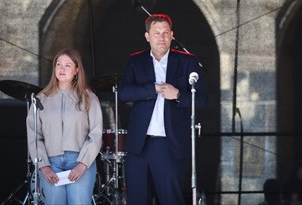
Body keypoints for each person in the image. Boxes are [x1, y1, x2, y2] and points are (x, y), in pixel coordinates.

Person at [118, 14, 208, 204]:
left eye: (165, 33)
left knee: (170, 199)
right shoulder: (136, 61)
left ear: (172, 35)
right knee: (137, 200)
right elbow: (124, 93)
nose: (161, 37)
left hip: (169, 144)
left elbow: (201, 100)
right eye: (156, 33)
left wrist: (178, 95)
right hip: (138, 145)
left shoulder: (187, 61)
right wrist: (154, 88)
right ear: (147, 36)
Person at [26, 48, 103, 204]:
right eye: (58, 64)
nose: (62, 69)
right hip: (50, 163)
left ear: (76, 70)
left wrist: (82, 164)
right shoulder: (41, 99)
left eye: (68, 65)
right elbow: (34, 135)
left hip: (80, 161)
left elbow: (96, 134)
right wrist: (44, 166)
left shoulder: (89, 98)